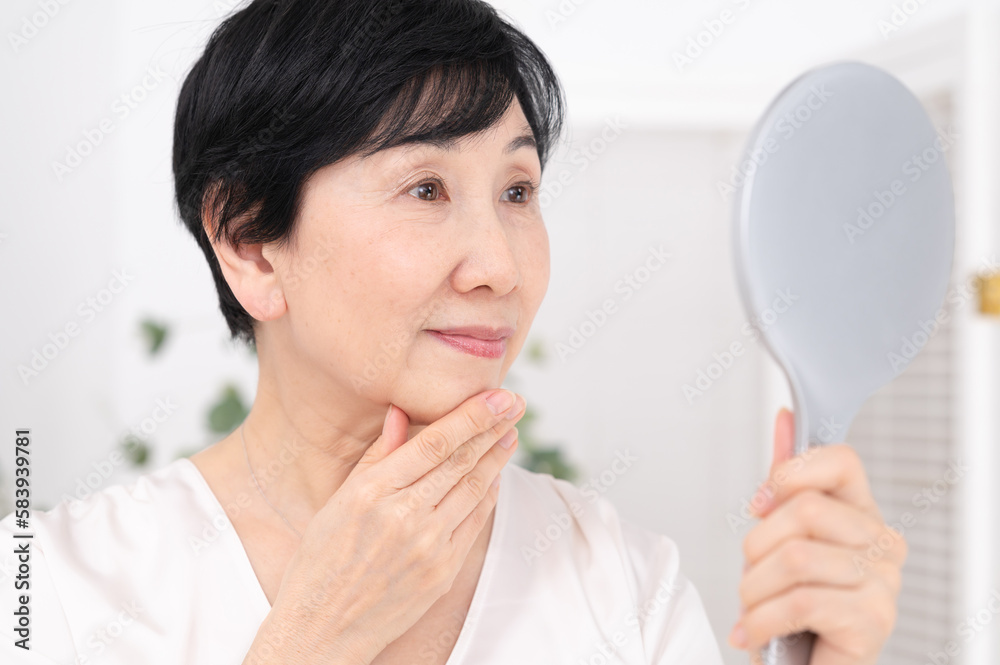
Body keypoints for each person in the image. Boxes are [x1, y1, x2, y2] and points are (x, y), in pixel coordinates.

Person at [0, 1, 906, 663]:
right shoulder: (50, 590)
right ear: (250, 243)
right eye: (426, 188)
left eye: (517, 190)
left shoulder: (622, 578)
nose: (500, 267)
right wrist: (317, 636)